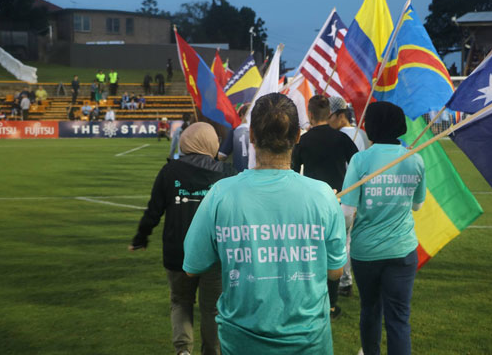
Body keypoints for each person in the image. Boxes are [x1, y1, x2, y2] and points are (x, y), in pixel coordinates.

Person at [182, 93, 347, 355]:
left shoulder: (221, 193)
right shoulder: (323, 195)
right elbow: (334, 272)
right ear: (296, 137)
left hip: (243, 340)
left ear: (251, 137)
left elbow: (192, 266)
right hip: (307, 340)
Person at [130, 122, 236, 355]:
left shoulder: (169, 172)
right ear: (212, 143)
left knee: (180, 302)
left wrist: (141, 237)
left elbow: (153, 211)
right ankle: (212, 351)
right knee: (213, 310)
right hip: (214, 254)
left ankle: (183, 351)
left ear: (185, 142)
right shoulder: (226, 173)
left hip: (178, 252)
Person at [341, 102, 425, 355]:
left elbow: (347, 213)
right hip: (402, 250)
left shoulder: (361, 159)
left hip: (366, 251)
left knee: (370, 309)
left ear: (371, 127)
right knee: (399, 319)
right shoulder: (415, 158)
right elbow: (417, 205)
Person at [291, 94, 358, 319]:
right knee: (334, 253)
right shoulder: (340, 138)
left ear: (309, 114)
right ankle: (331, 304)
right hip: (338, 202)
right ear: (329, 113)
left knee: (311, 252)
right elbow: (357, 164)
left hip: (310, 204)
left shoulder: (303, 140)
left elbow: (292, 171)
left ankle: (312, 297)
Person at [217, 104, 250, 172]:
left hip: (238, 174)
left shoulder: (234, 131)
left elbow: (221, 156)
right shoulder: (261, 132)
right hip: (257, 176)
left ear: (241, 116)